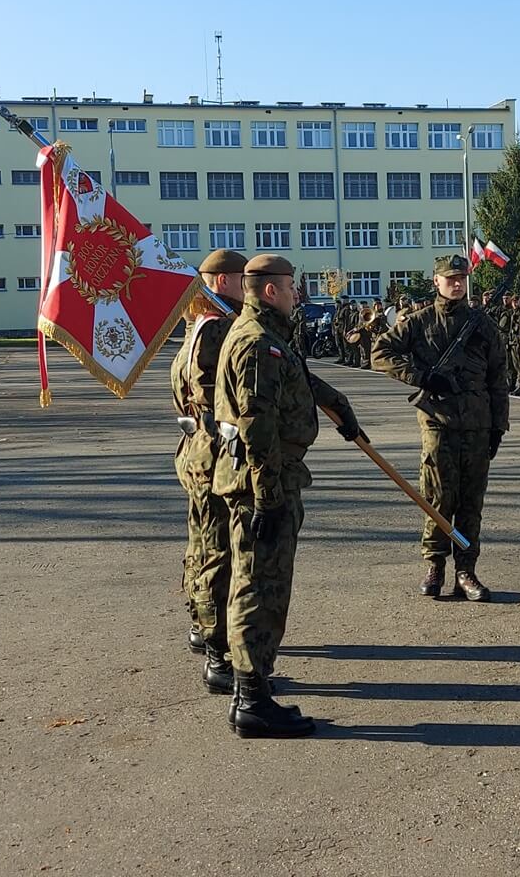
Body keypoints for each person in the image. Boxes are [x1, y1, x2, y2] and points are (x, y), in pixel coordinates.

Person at [214, 253, 365, 738]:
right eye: (292, 286)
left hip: (270, 476)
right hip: (265, 482)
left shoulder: (269, 335)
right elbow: (257, 427)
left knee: (259, 584)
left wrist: (337, 404)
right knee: (261, 588)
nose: (299, 294)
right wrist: (268, 497)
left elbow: (296, 377)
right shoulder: (257, 342)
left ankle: (251, 687)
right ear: (271, 290)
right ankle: (253, 701)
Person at [374, 255, 509, 601]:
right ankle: (435, 566)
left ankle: (466, 570)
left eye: (462, 278)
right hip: (438, 424)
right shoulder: (419, 322)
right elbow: (381, 352)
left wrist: (498, 426)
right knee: (436, 498)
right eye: (450, 279)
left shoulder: (484, 325)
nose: (457, 284)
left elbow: (498, 379)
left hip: (478, 425)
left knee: (470, 502)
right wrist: (421, 377)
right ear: (436, 281)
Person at [170, 248, 247, 686]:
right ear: (221, 282)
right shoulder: (218, 329)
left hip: (195, 448)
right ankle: (216, 642)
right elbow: (212, 395)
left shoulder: (195, 327)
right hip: (213, 451)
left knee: (201, 542)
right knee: (217, 548)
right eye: (241, 278)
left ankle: (201, 624)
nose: (247, 287)